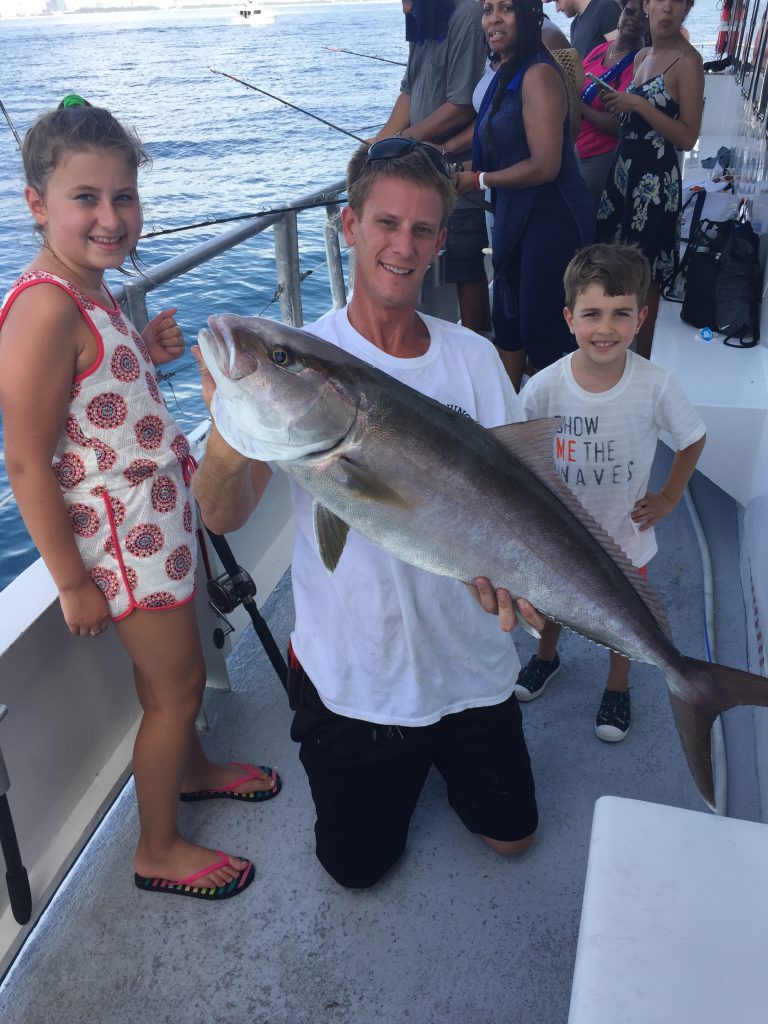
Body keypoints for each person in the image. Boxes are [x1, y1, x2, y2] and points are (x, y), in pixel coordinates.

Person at [192, 139, 543, 889]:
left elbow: (524, 495)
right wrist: (229, 421)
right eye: (386, 223)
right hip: (356, 676)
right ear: (349, 226)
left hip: (470, 665)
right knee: (356, 869)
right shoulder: (302, 363)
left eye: (422, 230)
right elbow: (219, 514)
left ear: (442, 243)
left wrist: (522, 577)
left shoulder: (472, 359)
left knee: (514, 841)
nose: (402, 245)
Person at [0, 97, 279, 904]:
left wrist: (145, 354)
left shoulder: (86, 287)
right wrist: (72, 582)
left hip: (160, 521)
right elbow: (24, 460)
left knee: (176, 673)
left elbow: (96, 408)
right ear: (36, 204)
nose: (110, 217)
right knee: (176, 690)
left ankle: (192, 769)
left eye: (123, 196)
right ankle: (157, 848)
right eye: (85, 198)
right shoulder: (44, 307)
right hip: (125, 543)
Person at [514, 243, 705, 740]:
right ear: (568, 317)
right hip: (560, 533)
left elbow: (692, 438)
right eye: (592, 313)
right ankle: (546, 658)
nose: (605, 328)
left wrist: (668, 497)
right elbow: (515, 447)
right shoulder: (543, 386)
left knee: (626, 618)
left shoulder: (656, 385)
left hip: (626, 534)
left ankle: (617, 687)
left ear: (641, 317)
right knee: (555, 602)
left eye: (620, 314)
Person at [457, 0, 594, 391]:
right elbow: (503, 145)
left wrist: (480, 180)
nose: (493, 18)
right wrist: (458, 165)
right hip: (515, 217)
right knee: (509, 322)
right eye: (487, 9)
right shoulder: (505, 70)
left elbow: (546, 165)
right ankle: (510, 419)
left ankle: (558, 430)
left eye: (506, 8)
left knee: (544, 332)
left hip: (553, 221)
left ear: (530, 16)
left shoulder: (537, 74)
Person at [372, 0, 492, 336]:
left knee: (466, 263)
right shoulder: (420, 21)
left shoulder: (466, 15)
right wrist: (376, 147)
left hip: (460, 170)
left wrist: (405, 142)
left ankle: (477, 347)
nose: (404, 7)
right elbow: (408, 94)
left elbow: (462, 105)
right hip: (423, 171)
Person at [596, 0, 704, 357]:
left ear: (687, 8)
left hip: (654, 182)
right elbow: (635, 117)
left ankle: (640, 361)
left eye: (678, 2)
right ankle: (616, 351)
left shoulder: (688, 63)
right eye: (660, 0)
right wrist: (619, 103)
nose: (667, 9)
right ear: (647, 6)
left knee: (646, 275)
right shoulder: (642, 57)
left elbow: (688, 136)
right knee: (614, 264)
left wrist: (640, 105)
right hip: (624, 172)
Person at [576, 0, 648, 210]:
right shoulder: (599, 50)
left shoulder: (640, 64)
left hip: (600, 158)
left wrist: (580, 107)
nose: (634, 19)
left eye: (643, 17)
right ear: (620, 14)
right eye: (630, 11)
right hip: (575, 151)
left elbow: (619, 125)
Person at [551, 0, 621, 57]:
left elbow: (620, 54)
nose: (557, 9)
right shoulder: (574, 25)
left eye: (557, 1)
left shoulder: (605, 7)